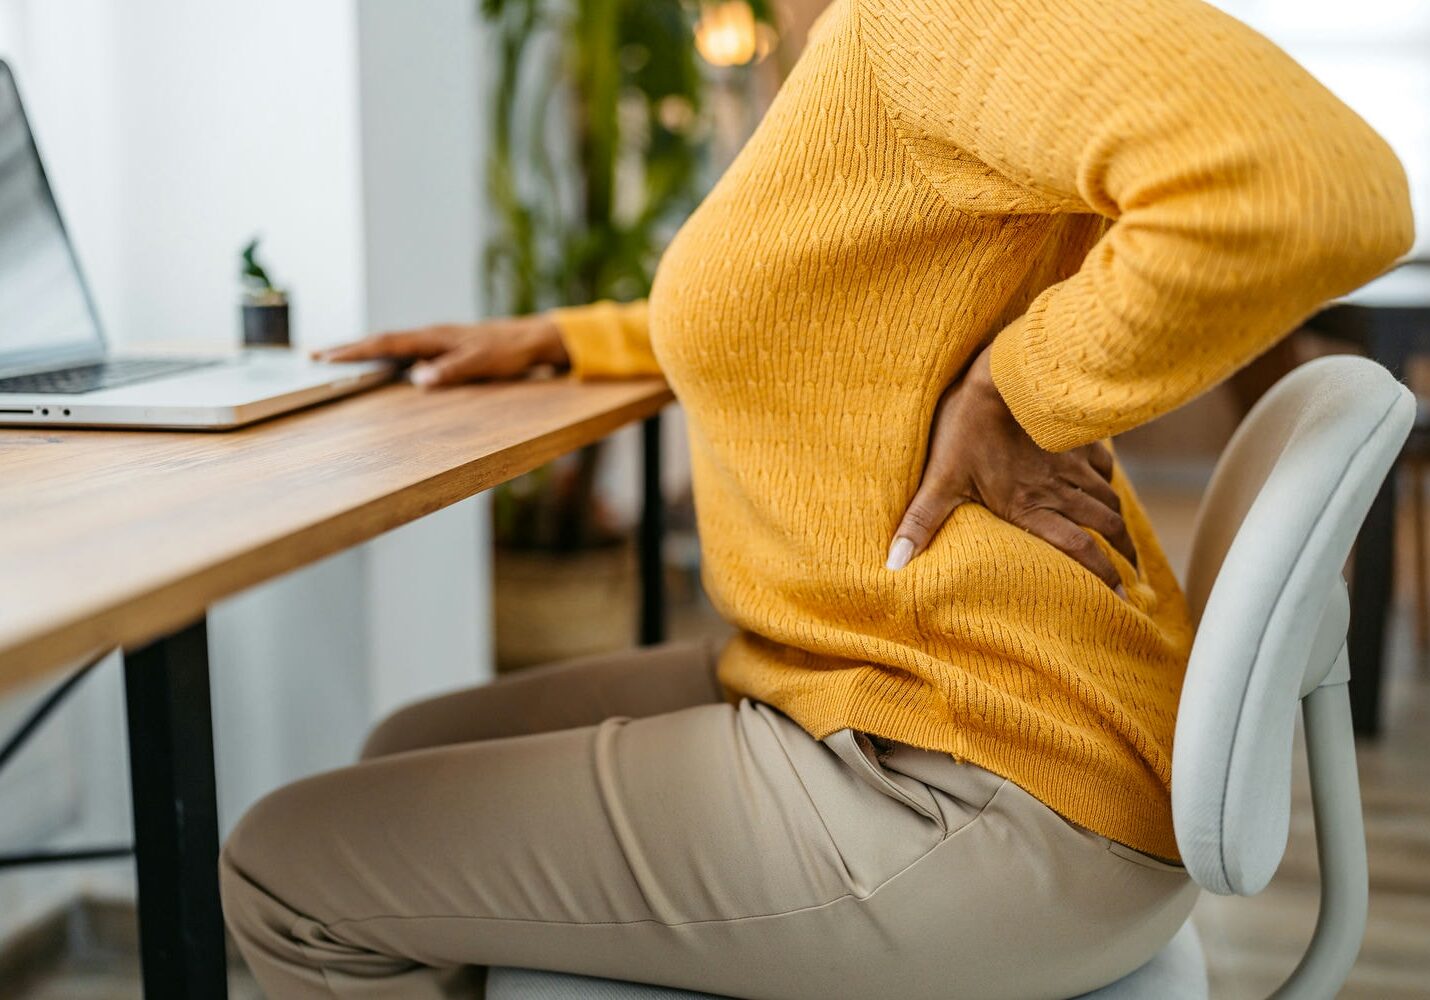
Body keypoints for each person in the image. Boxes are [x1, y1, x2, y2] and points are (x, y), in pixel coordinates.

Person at [219, 0, 1413, 996]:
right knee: (412, 748)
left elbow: (1312, 187)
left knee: (281, 867)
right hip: (891, 682)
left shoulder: (931, 17)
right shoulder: (857, 39)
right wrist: (563, 337)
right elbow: (820, 312)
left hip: (974, 774)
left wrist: (1015, 387)